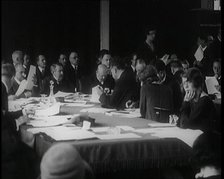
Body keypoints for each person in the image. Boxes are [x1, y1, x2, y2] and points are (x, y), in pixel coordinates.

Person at [1, 63, 38, 179]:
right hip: (4, 147)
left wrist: (22, 112)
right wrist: (17, 122)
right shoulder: (2, 88)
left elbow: (4, 115)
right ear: (12, 78)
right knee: (31, 153)